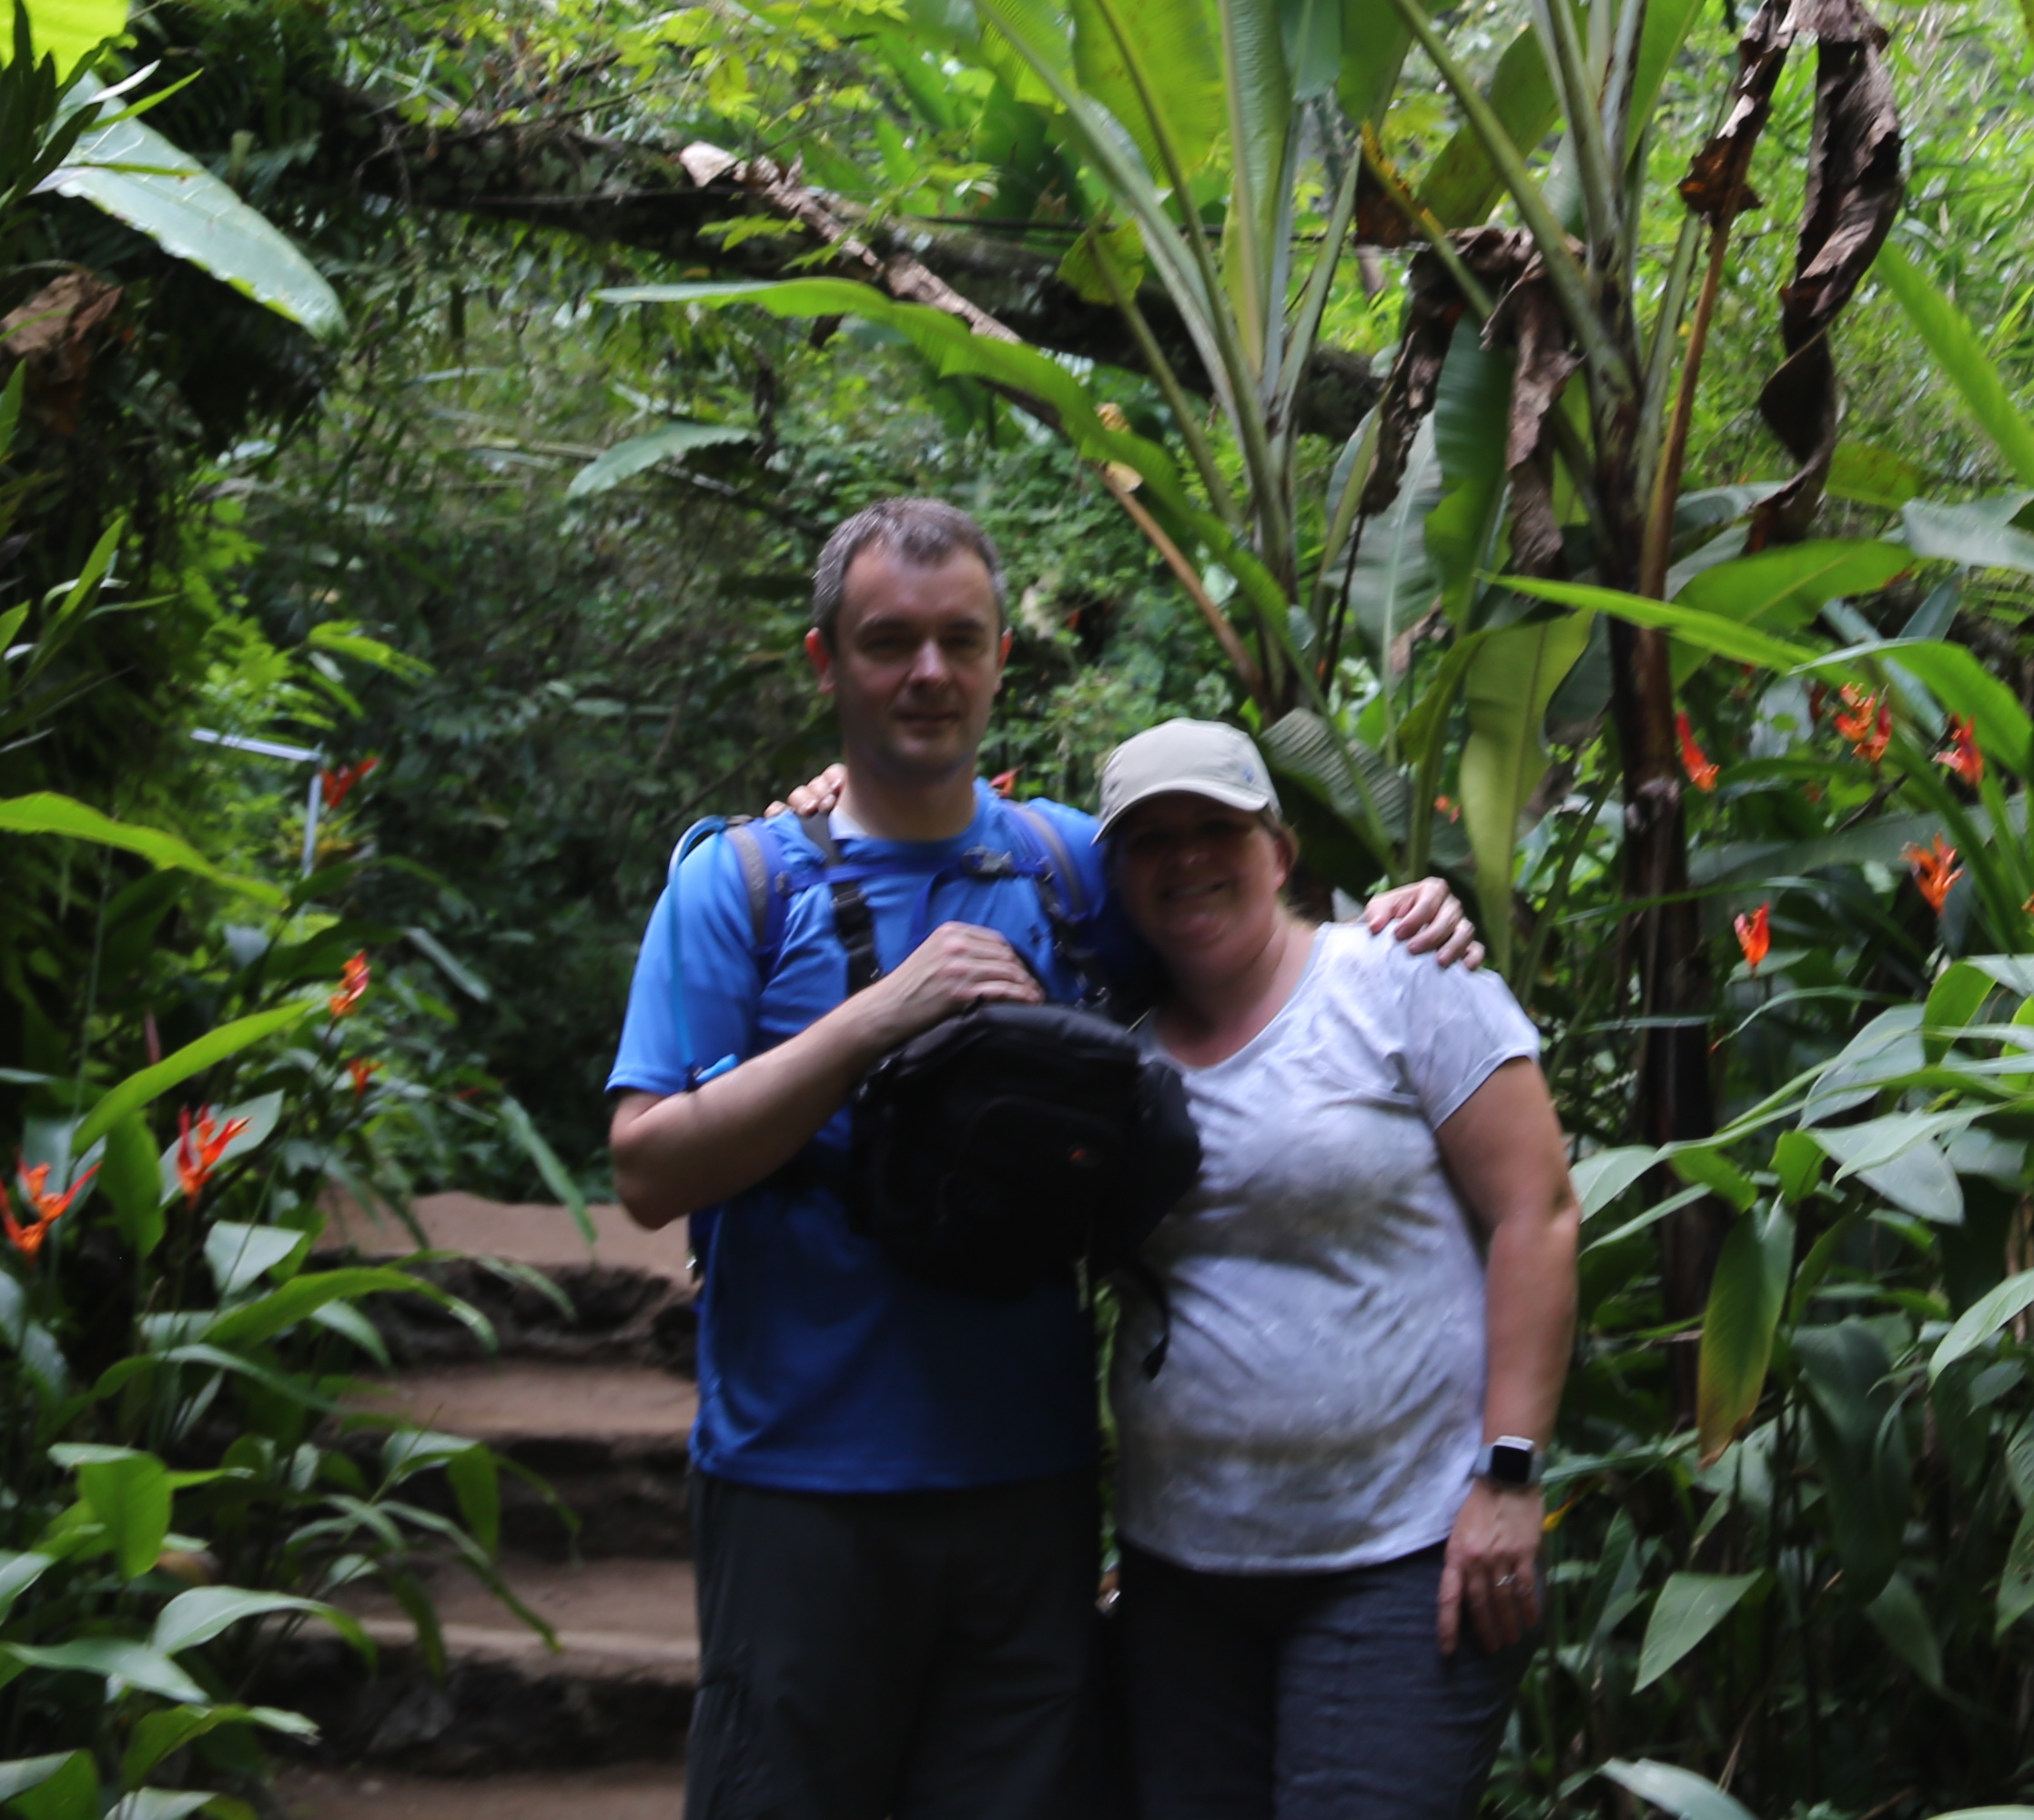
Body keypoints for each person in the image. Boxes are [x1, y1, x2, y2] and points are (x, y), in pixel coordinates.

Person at [600, 499, 1472, 1820]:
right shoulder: (741, 885)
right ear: (827, 660)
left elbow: (1245, 949)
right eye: (890, 642)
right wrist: (883, 1014)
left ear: (1005, 654)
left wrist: (1405, 917)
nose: (929, 674)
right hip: (798, 1481)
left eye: (961, 640)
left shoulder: (1067, 868)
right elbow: (648, 1169)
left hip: (1028, 1489)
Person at [1096, 716, 1578, 1820]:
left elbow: (1538, 1212)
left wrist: (1509, 1479)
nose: (1185, 858)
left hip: (1402, 1554)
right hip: (1182, 1575)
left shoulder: (1401, 978)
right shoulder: (1110, 1052)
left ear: (1277, 847)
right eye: (1150, 838)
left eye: (1214, 827)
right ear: (1117, 874)